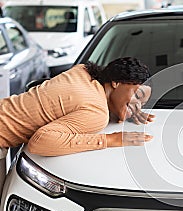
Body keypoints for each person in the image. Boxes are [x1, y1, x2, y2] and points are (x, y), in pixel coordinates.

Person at [0, 57, 154, 192]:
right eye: (137, 95)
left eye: (142, 104)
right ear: (116, 82)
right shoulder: (97, 113)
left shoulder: (82, 71)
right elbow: (39, 142)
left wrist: (126, 109)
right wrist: (111, 140)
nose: (138, 106)